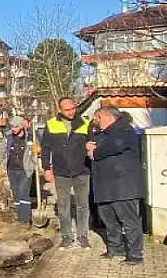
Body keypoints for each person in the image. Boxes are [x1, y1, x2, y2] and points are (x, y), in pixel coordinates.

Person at [85, 106, 145, 266]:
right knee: (109, 220)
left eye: (98, 118)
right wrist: (90, 148)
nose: (96, 122)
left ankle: (135, 255)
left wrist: (95, 152)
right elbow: (94, 144)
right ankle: (115, 248)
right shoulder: (104, 133)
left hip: (123, 185)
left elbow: (115, 146)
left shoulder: (124, 130)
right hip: (105, 186)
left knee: (129, 221)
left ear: (107, 116)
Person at [41, 97, 92, 249]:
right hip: (61, 171)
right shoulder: (51, 124)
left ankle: (83, 236)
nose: (71, 112)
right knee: (63, 206)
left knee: (83, 205)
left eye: (73, 108)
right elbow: (45, 148)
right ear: (60, 110)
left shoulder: (85, 123)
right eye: (67, 110)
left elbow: (92, 145)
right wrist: (46, 168)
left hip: (82, 170)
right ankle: (66, 237)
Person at [0, 116, 35, 216]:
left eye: (16, 127)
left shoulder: (30, 137)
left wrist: (37, 150)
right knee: (16, 193)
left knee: (23, 193)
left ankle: (25, 219)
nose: (13, 129)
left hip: (25, 170)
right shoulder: (8, 137)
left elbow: (37, 150)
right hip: (11, 169)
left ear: (21, 127)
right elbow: (1, 150)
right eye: (12, 126)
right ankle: (19, 215)